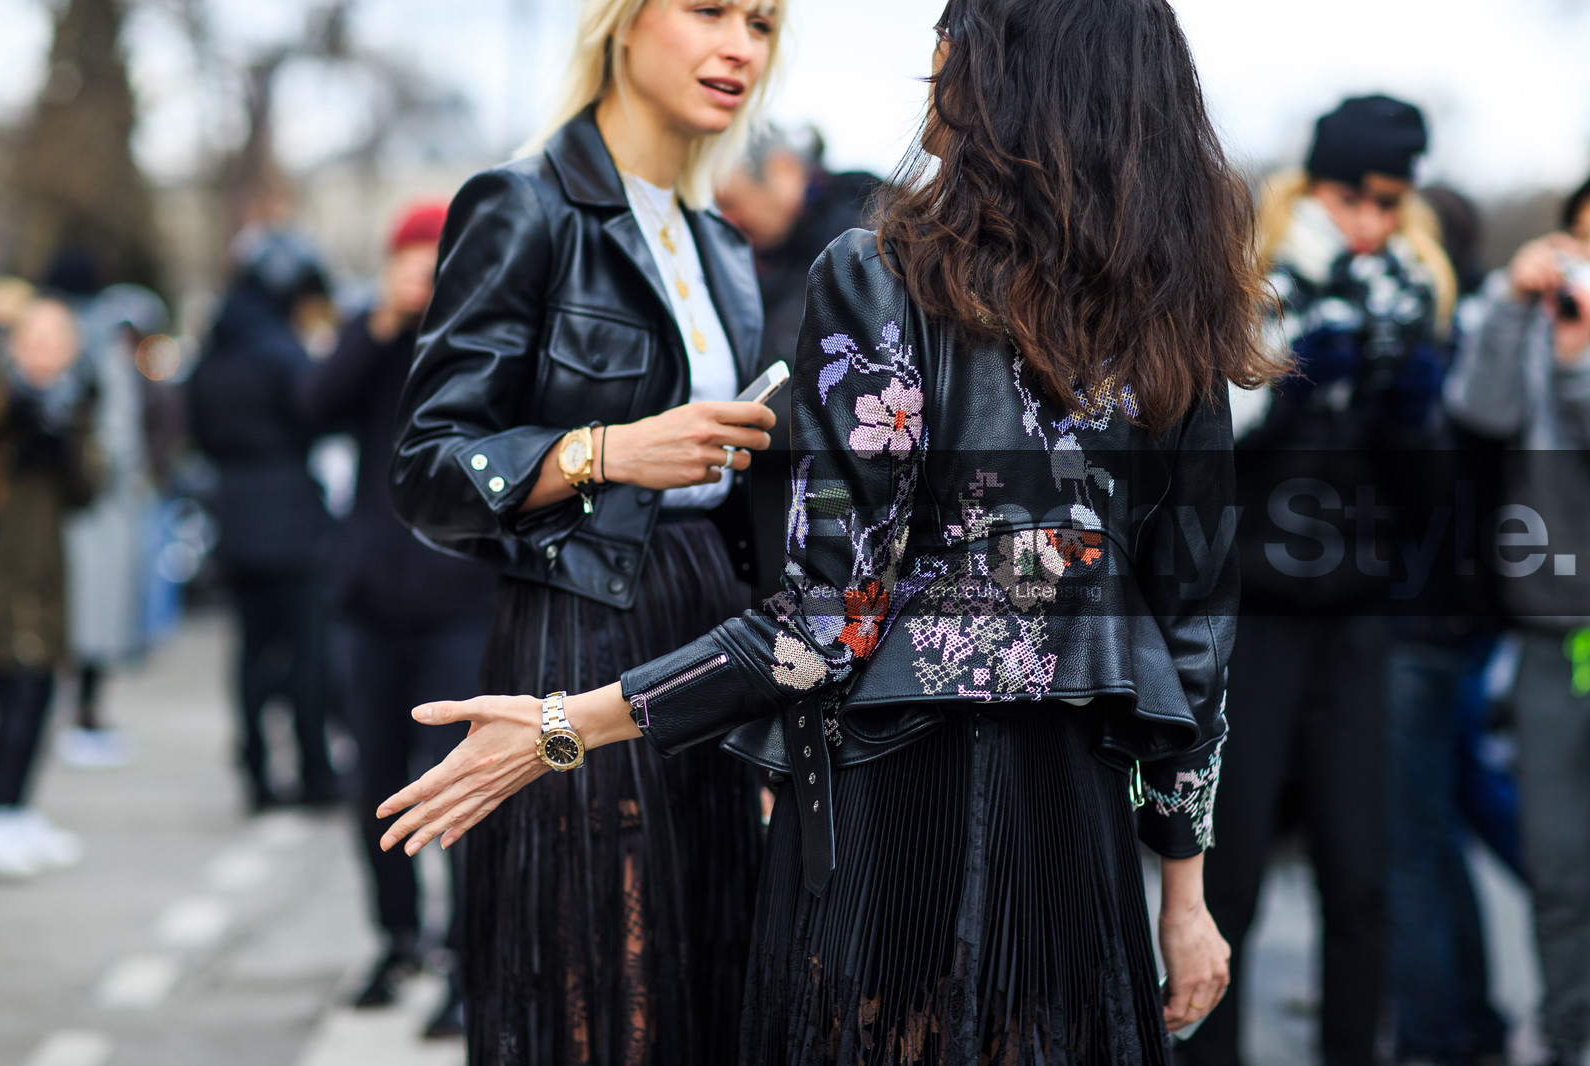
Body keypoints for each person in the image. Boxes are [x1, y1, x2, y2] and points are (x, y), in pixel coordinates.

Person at [383, 1, 1277, 1062]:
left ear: (994, 71)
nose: (930, 65)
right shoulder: (1174, 300)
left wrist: (558, 725)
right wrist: (1184, 889)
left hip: (890, 804)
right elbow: (1194, 630)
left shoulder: (878, 269)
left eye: (950, 42)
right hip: (1071, 820)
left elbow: (828, 624)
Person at [386, 2, 783, 1062]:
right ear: (621, 20)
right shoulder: (523, 205)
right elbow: (427, 470)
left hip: (712, 626)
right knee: (594, 978)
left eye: (763, 21)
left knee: (710, 963)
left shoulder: (723, 246)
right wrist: (601, 450)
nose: (739, 44)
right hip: (581, 617)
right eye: (709, 9)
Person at [1176, 96, 1459, 1066]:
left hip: (1354, 619)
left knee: (1359, 876)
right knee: (1233, 874)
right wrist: (1283, 382)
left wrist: (1413, 410)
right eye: (1351, 195)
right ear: (1313, 184)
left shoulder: (1409, 300)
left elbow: (1429, 512)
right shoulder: (1253, 287)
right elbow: (1202, 461)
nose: (1369, 221)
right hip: (1253, 619)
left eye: (1389, 200)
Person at [297, 201, 496, 1040]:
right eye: (410, 259)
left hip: (461, 602)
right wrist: (380, 321)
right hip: (370, 599)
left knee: (454, 790)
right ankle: (396, 939)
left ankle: (464, 960)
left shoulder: (487, 337)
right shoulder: (371, 338)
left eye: (435, 259)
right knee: (374, 784)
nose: (422, 274)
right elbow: (312, 406)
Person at [1445, 185, 1590, 1066]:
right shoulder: (1543, 319)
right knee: (1561, 870)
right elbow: (1481, 414)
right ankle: (1569, 1038)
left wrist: (1577, 368)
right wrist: (1508, 304)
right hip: (1549, 638)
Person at [188, 230, 339, 812]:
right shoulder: (281, 350)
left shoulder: (213, 352)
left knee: (251, 652)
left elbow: (197, 431)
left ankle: (255, 773)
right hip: (291, 516)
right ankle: (313, 773)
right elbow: (315, 416)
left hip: (233, 512)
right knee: (306, 652)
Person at [717, 126, 881, 602]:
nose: (729, 218)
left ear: (784, 172)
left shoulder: (854, 238)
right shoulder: (781, 247)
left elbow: (827, 389)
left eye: (734, 200)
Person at [0, 298, 97, 878]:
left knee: (32, 694)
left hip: (39, 571)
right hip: (1, 570)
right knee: (17, 694)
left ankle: (13, 810)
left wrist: (67, 433)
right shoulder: (2, 394)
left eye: (59, 337)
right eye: (35, 336)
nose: (46, 349)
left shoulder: (73, 404)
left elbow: (88, 490)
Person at [59, 285, 174, 769]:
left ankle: (86, 714)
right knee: (92, 616)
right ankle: (83, 718)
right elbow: (118, 438)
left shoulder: (105, 362)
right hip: (101, 511)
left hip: (104, 509)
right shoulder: (108, 365)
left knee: (97, 616)